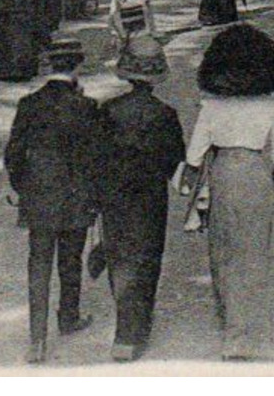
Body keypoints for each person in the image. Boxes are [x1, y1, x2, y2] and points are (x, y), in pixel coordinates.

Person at [185, 24, 274, 360]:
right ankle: (263, 337)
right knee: (260, 255)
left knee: (225, 255)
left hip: (223, 177)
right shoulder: (272, 109)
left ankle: (234, 337)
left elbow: (192, 156)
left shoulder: (211, 109)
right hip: (257, 178)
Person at [3, 37, 108, 365]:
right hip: (76, 196)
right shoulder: (87, 107)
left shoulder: (28, 104)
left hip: (40, 197)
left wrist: (23, 188)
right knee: (70, 260)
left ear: (49, 66)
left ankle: (37, 340)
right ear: (78, 66)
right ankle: (69, 317)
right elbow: (96, 158)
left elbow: (13, 154)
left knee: (38, 265)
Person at [99, 37, 186, 361]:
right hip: (150, 196)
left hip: (115, 194)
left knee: (118, 254)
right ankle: (138, 327)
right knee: (148, 256)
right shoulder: (166, 114)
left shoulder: (108, 110)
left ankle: (125, 327)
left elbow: (97, 155)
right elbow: (174, 160)